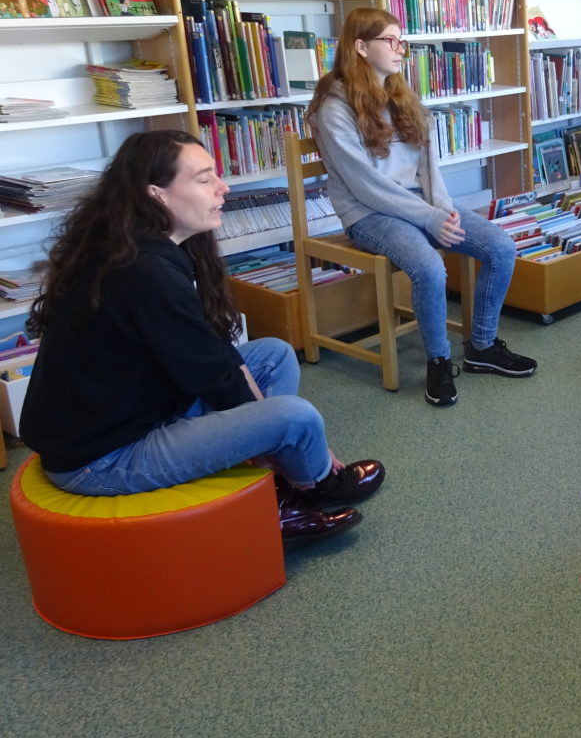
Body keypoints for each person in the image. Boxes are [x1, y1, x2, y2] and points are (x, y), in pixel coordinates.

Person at [19, 131, 383, 545]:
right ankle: (310, 487)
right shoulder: (144, 272)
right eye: (204, 178)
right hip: (103, 457)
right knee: (294, 418)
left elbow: (213, 350)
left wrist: (262, 426)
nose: (223, 187)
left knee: (275, 355)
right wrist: (281, 438)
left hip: (135, 409)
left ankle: (284, 480)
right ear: (156, 194)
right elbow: (215, 377)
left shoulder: (140, 246)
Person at [307, 7, 536, 409]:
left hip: (421, 207)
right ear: (360, 47)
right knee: (428, 266)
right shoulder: (334, 108)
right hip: (369, 215)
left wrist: (444, 210)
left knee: (501, 247)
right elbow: (366, 186)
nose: (400, 50)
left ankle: (481, 347)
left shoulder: (400, 94)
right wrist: (429, 218)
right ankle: (439, 360)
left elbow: (429, 164)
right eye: (390, 41)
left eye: (402, 41)